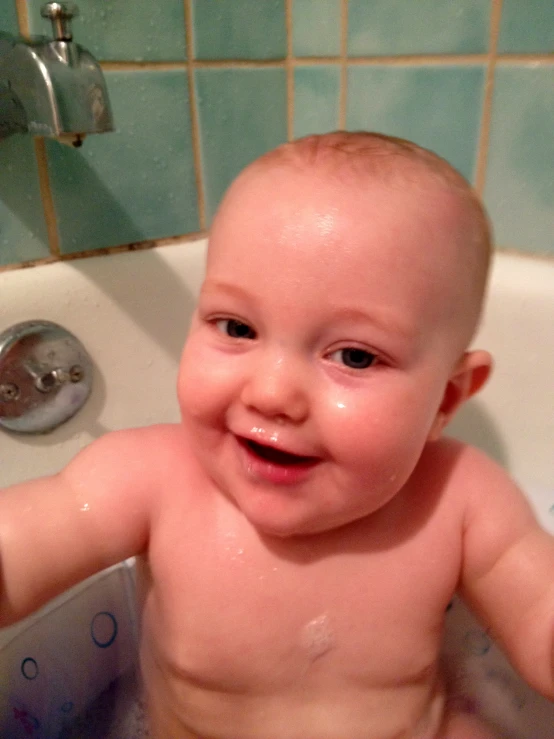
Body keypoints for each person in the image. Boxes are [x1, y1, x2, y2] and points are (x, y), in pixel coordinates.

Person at [1, 132, 553, 739]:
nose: (271, 393)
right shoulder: (149, 481)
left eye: (355, 357)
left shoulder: (458, 498)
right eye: (236, 327)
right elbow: (20, 548)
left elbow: (540, 614)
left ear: (446, 398)